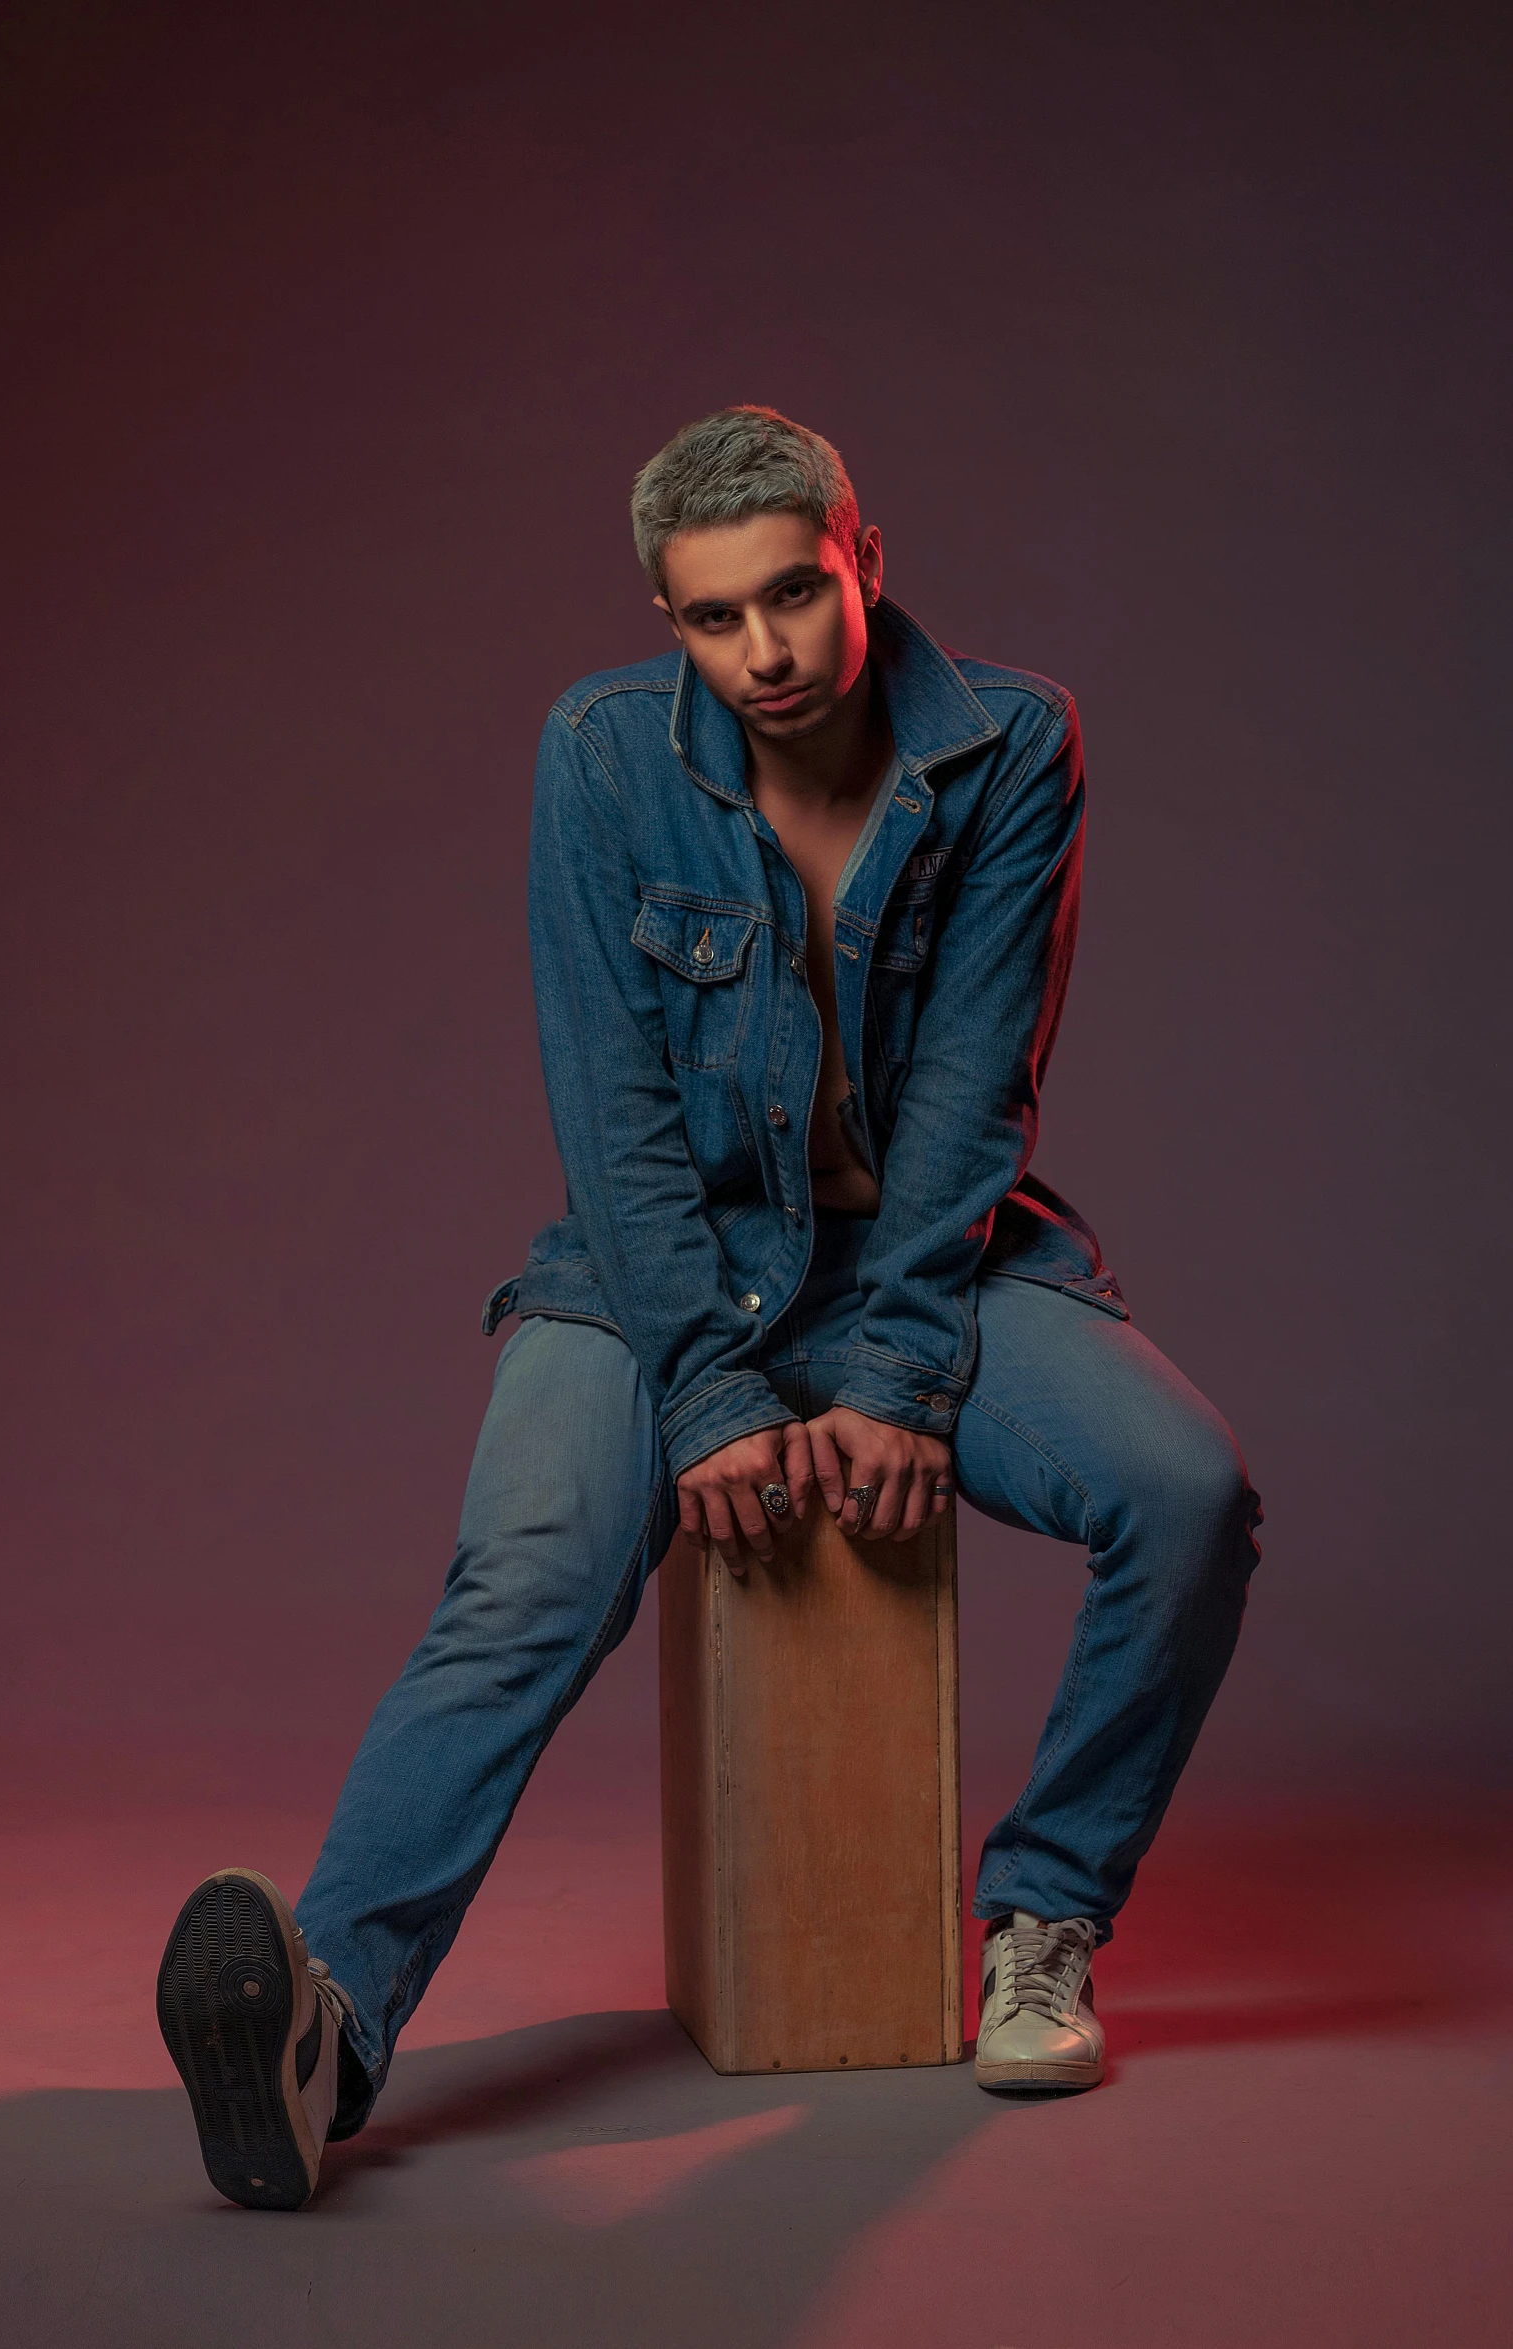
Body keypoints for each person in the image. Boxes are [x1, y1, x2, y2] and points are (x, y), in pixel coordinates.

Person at [156, 405, 1261, 2210]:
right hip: (653, 1273)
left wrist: (900, 1371)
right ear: (664, 617)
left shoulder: (1010, 746)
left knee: (1190, 1494)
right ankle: (325, 2033)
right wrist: (708, 1387)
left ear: (864, 563)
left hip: (932, 1264)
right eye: (708, 618)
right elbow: (613, 1115)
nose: (760, 654)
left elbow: (979, 1092)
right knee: (529, 1571)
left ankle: (1045, 1919)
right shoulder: (600, 758)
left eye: (792, 599)